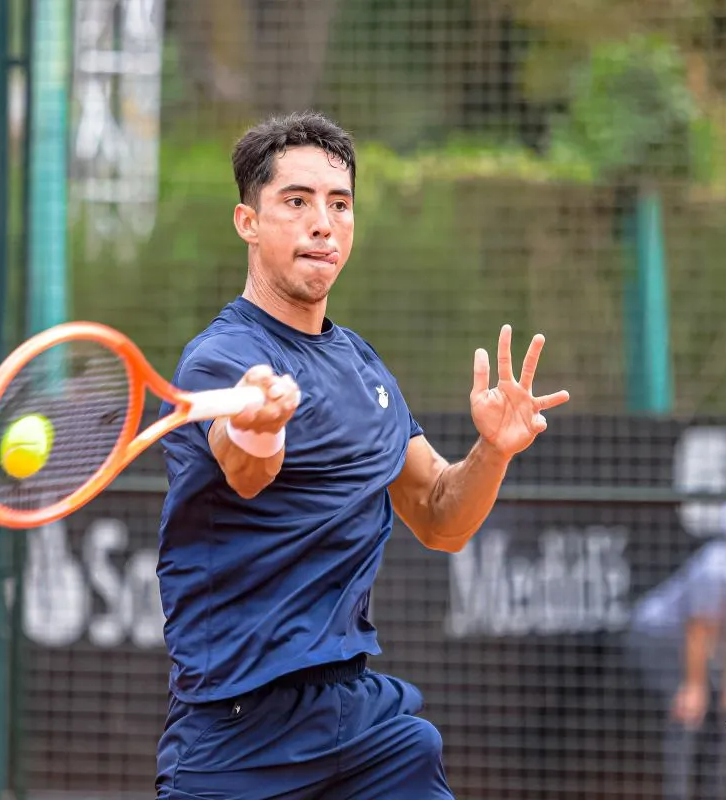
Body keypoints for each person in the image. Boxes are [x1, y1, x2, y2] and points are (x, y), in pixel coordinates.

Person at [154, 111, 571, 799]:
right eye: (296, 201)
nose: (323, 223)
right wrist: (260, 426)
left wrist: (493, 451)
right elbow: (245, 469)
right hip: (237, 733)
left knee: (415, 746)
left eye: (339, 204)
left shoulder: (364, 369)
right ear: (247, 222)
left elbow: (440, 517)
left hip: (361, 724)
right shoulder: (220, 359)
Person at [624, 499, 726, 800]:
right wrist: (693, 686)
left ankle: (715, 792)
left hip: (695, 644)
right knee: (687, 709)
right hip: (656, 638)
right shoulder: (713, 566)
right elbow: (697, 629)